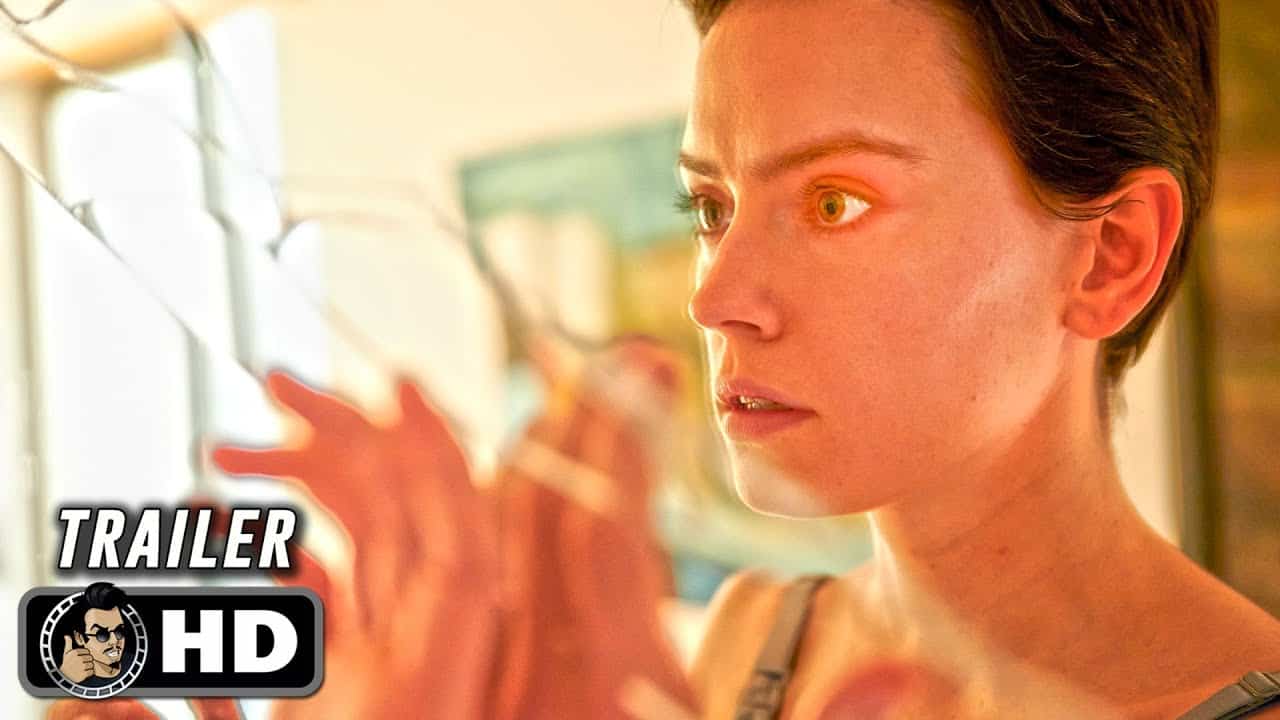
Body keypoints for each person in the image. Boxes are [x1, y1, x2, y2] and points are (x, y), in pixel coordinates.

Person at [48, 0, 1280, 718]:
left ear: (1108, 254)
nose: (713, 295)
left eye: (835, 202)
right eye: (709, 207)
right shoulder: (756, 636)